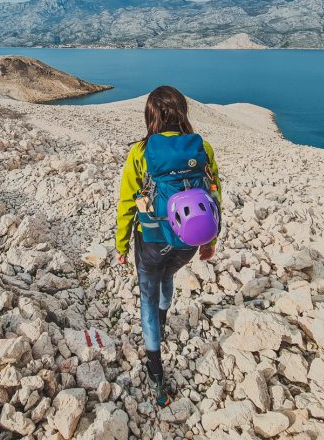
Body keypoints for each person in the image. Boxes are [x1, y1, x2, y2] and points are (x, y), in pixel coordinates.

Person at [115, 85, 222, 407]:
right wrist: (210, 240)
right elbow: (215, 195)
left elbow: (126, 204)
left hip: (151, 240)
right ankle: (163, 319)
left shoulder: (141, 152)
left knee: (147, 295)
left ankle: (156, 373)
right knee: (169, 276)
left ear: (152, 115)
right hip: (189, 240)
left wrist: (121, 246)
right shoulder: (202, 147)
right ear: (182, 113)